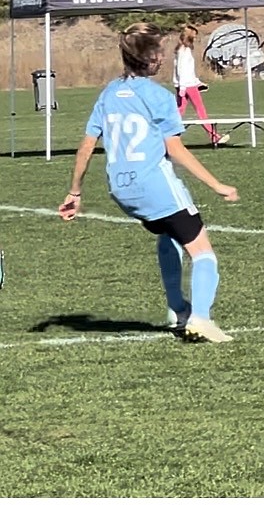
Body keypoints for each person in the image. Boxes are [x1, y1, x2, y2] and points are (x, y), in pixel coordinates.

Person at [58, 22, 240, 343]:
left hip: (122, 190)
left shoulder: (108, 94)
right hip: (154, 184)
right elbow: (175, 149)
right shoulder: (158, 96)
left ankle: (176, 310)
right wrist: (217, 184)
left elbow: (86, 146)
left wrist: (75, 192)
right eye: (159, 51)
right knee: (203, 252)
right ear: (152, 57)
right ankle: (200, 318)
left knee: (168, 234)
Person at [173, 25, 229, 146]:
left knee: (179, 112)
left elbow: (188, 71)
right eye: (194, 35)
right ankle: (214, 136)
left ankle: (168, 136)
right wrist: (183, 88)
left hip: (186, 84)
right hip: (187, 86)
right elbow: (181, 70)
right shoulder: (184, 51)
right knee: (200, 111)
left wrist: (197, 82)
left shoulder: (181, 50)